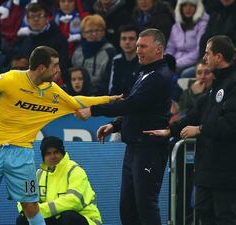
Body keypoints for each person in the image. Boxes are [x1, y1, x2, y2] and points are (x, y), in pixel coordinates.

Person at [0, 46, 123, 225]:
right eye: (54, 65)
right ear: (41, 68)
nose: (58, 70)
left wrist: (109, 99)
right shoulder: (10, 79)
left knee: (31, 207)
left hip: (22, 155)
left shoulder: (52, 91)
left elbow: (77, 101)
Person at [144, 35, 236, 225]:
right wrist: (170, 130)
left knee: (227, 219)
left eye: (208, 53)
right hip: (211, 171)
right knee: (203, 215)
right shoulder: (217, 85)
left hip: (232, 172)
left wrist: (200, 129)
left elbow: (234, 124)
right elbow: (195, 114)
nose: (205, 58)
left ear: (219, 56)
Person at [75, 28, 174, 225]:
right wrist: (115, 125)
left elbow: (131, 104)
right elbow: (137, 109)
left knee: (145, 206)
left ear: (158, 49)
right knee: (128, 207)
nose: (138, 50)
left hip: (149, 148)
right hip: (135, 147)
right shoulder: (146, 72)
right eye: (138, 46)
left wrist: (93, 110)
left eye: (143, 46)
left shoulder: (159, 76)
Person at [16, 136, 102, 225]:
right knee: (23, 219)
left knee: (68, 217)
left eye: (56, 152)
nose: (52, 156)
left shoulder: (75, 171)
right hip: (54, 218)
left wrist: (38, 210)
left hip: (85, 219)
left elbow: (73, 202)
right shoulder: (38, 174)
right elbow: (23, 198)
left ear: (62, 153)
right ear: (43, 157)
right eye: (48, 153)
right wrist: (28, 210)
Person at [71, 14, 116, 96]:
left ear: (103, 32)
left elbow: (108, 80)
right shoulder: (78, 51)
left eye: (98, 30)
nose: (94, 34)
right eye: (90, 31)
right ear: (83, 34)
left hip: (99, 95)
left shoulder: (110, 51)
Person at [165, 0, 209, 77]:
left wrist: (175, 63)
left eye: (191, 5)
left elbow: (198, 52)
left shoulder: (202, 25)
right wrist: (167, 61)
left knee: (183, 74)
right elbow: (170, 48)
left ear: (197, 8)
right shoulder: (176, 26)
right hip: (176, 62)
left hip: (194, 62)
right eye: (185, 5)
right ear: (180, 8)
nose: (188, 8)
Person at [107, 24, 140, 97]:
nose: (127, 42)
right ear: (119, 41)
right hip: (117, 102)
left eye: (131, 39)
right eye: (123, 39)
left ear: (138, 41)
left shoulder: (144, 61)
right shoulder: (115, 60)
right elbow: (111, 89)